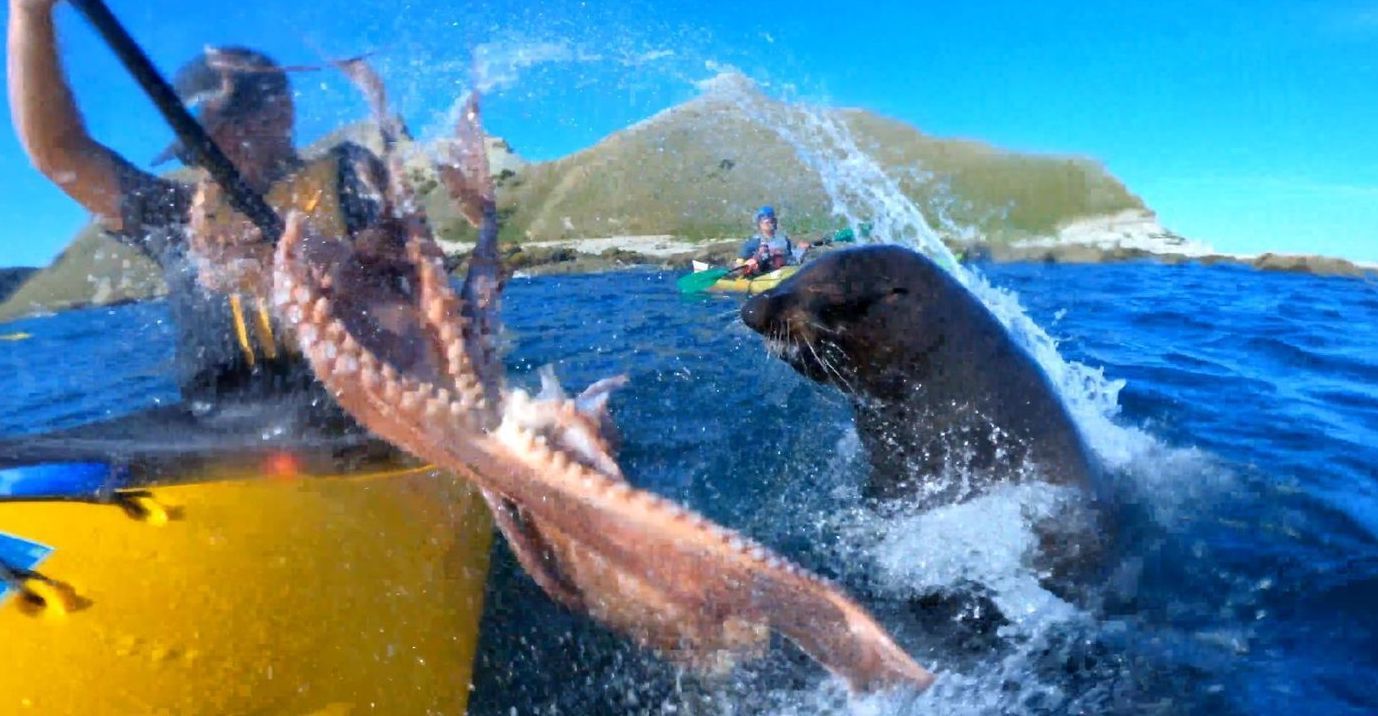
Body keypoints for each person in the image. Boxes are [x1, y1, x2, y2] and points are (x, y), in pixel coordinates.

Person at [8, 0, 394, 435]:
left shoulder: (350, 179)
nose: (208, 161)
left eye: (223, 135)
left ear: (279, 115)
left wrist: (333, 267)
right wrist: (30, 13)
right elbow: (57, 151)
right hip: (226, 435)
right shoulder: (176, 215)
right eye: (195, 150)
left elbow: (408, 294)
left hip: (366, 424)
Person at [737, 206, 808, 277]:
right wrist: (749, 263)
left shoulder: (784, 240)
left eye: (772, 221)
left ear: (776, 222)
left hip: (784, 272)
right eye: (766, 222)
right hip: (764, 274)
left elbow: (792, 258)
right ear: (759, 224)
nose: (770, 223)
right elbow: (738, 266)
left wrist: (801, 250)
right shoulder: (753, 243)